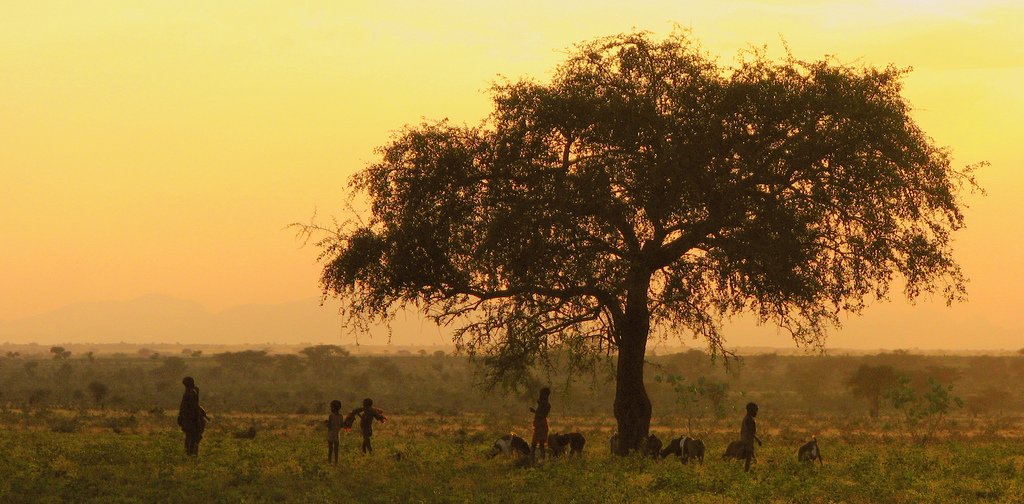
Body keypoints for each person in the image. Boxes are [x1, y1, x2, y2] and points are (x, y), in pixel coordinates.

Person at [177, 376, 208, 457]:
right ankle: (191, 455)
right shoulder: (190, 394)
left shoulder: (189, 393)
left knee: (191, 438)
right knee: (192, 438)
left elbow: (187, 407)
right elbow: (193, 407)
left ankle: (190, 454)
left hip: (190, 420)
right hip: (191, 420)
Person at [740, 402, 763, 472]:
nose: (756, 412)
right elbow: (750, 432)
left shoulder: (746, 418)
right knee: (749, 459)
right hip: (748, 441)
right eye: (755, 410)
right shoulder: (749, 419)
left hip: (746, 440)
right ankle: (746, 472)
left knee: (753, 459)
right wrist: (758, 439)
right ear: (750, 410)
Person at [529, 387, 551, 459]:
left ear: (545, 395)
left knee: (534, 444)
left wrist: (534, 411)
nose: (540, 395)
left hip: (541, 425)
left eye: (541, 394)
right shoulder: (543, 403)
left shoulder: (546, 405)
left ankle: (532, 460)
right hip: (541, 425)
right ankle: (541, 460)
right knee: (540, 445)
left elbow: (543, 415)